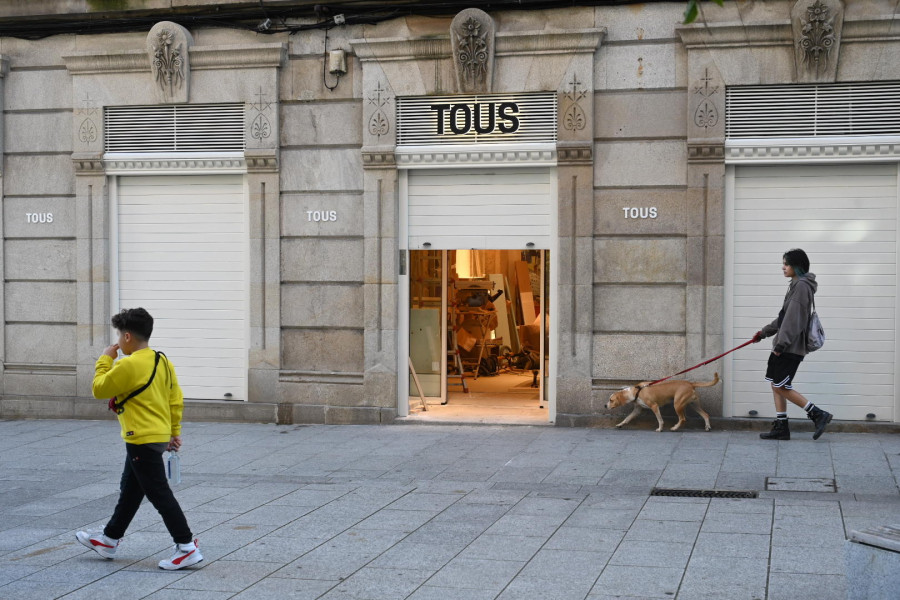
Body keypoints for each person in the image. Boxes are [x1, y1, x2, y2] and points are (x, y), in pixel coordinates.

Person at [76, 307, 203, 570]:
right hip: (156, 435)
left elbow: (99, 389)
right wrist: (173, 431)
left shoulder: (128, 364)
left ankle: (186, 546)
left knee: (158, 493)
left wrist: (104, 360)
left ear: (127, 337)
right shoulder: (161, 360)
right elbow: (174, 399)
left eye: (119, 335)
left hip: (140, 438)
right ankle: (109, 539)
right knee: (131, 489)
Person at [751, 249, 832, 441]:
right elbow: (783, 317)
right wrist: (763, 333)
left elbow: (793, 320)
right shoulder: (796, 285)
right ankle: (781, 427)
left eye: (786, 264)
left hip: (789, 347)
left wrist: (781, 345)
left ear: (796, 266)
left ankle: (818, 414)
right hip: (785, 344)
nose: (783, 267)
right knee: (776, 383)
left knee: (780, 385)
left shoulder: (802, 286)